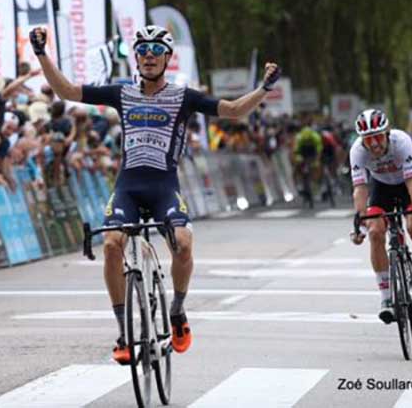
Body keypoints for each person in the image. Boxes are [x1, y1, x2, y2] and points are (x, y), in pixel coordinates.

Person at [29, 24, 281, 364]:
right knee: (112, 245)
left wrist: (264, 88)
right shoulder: (121, 93)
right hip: (128, 188)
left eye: (157, 50)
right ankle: (123, 331)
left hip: (164, 188)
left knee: (184, 243)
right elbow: (68, 91)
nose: (149, 56)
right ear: (136, 58)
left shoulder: (184, 97)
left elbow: (234, 110)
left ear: (167, 58)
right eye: (143, 51)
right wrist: (42, 54)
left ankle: (177, 310)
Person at [348, 109, 412, 323]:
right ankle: (386, 298)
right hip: (381, 188)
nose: (374, 144)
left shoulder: (402, 142)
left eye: (378, 137)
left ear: (387, 133)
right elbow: (360, 189)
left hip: (406, 185)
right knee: (375, 233)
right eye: (368, 139)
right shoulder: (357, 151)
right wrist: (360, 225)